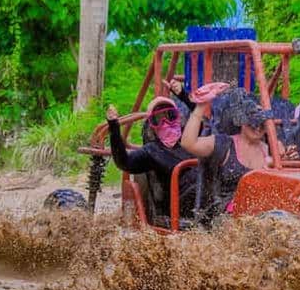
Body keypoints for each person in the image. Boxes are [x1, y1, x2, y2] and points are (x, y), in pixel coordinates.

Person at [180, 86, 271, 216]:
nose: (257, 127)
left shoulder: (270, 150)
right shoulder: (224, 144)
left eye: (261, 122)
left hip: (260, 213)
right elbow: (188, 143)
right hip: (223, 214)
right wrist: (200, 107)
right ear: (241, 120)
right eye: (252, 121)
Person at [106, 96, 197, 218]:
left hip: (203, 197)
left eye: (170, 115)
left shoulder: (190, 140)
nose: (165, 123)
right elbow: (124, 162)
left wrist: (182, 94)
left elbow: (201, 117)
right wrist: (114, 127)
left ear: (178, 117)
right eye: (158, 119)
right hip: (179, 208)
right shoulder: (152, 151)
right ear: (151, 125)